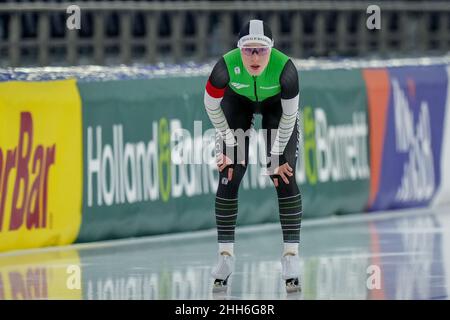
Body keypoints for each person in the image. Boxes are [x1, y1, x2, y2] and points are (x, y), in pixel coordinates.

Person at [204, 19, 302, 294]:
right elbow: (211, 104)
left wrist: (274, 155)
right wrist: (227, 138)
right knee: (230, 171)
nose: (255, 57)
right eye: (248, 51)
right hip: (237, 104)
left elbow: (289, 117)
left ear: (271, 50)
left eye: (261, 50)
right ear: (239, 50)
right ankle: (225, 256)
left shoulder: (287, 71)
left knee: (283, 173)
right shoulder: (224, 67)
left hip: (277, 111)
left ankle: (291, 257)